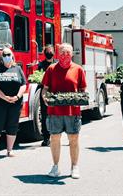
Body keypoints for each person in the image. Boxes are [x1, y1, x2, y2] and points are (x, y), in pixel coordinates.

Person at [42, 43, 86, 179]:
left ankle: (75, 167)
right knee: (55, 138)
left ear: (72, 54)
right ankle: (55, 167)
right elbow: (45, 88)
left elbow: (82, 90)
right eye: (62, 52)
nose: (65, 55)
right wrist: (44, 97)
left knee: (74, 138)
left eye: (67, 53)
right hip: (54, 110)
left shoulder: (78, 69)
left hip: (73, 111)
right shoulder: (51, 69)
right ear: (57, 54)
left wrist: (80, 98)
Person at [0, 47, 27, 158]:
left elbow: (23, 85)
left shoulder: (18, 69)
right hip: (0, 103)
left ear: (12, 56)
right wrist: (5, 97)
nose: (7, 57)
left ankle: (10, 150)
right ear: (1, 57)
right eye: (4, 55)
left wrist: (17, 96)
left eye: (8, 54)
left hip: (15, 103)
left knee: (12, 126)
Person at [37, 45, 57, 146]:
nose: (49, 53)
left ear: (54, 52)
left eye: (51, 51)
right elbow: (38, 77)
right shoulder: (41, 65)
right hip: (45, 92)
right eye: (47, 51)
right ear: (45, 53)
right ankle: (46, 138)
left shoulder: (58, 64)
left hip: (56, 93)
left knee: (58, 116)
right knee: (45, 116)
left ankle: (57, 137)